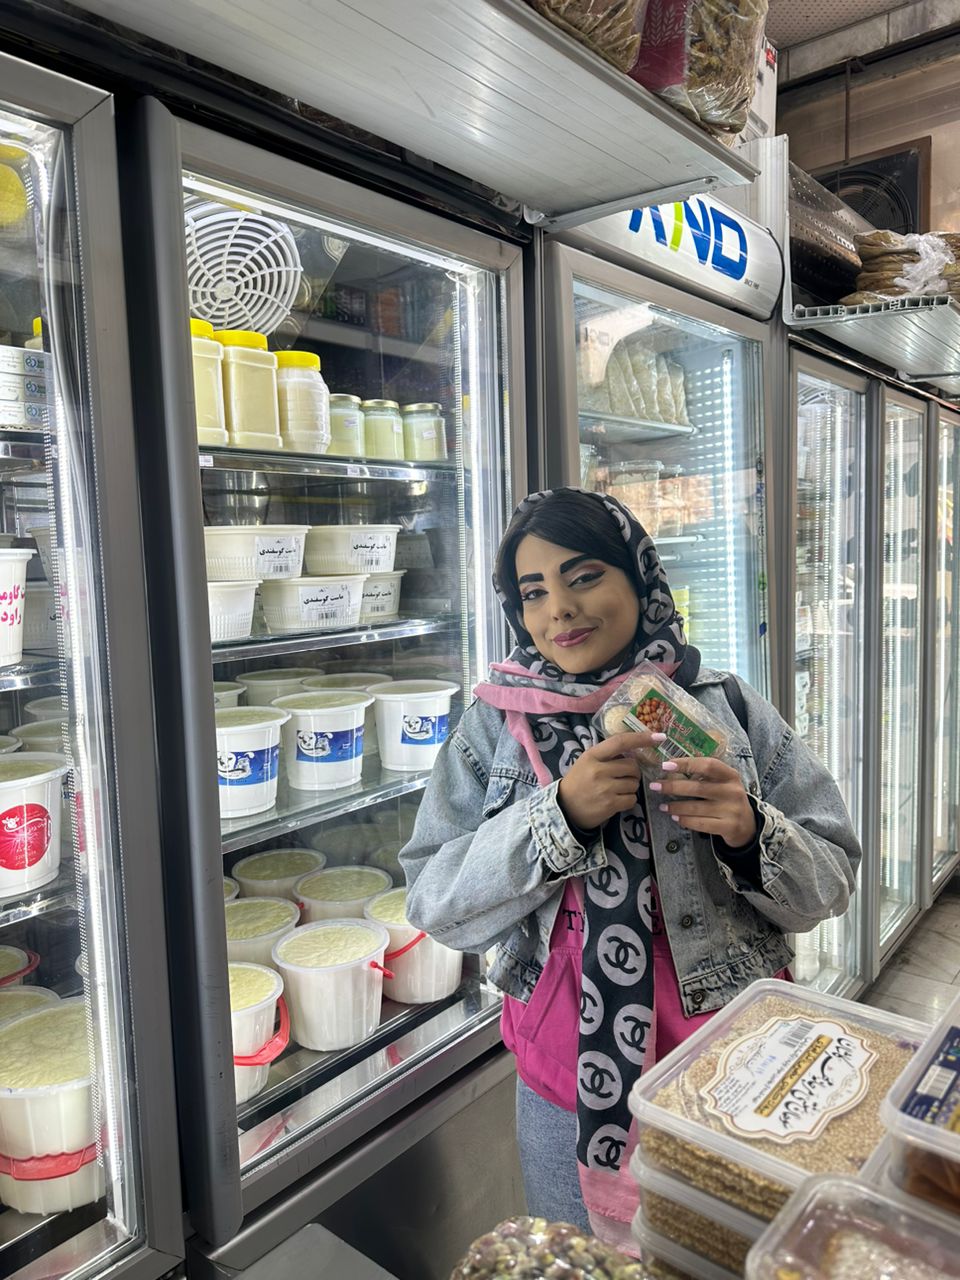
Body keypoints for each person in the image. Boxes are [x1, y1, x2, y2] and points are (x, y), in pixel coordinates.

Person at [401, 487, 861, 1247]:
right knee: (585, 1257)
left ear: (641, 581)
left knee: (726, 1252)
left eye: (584, 577)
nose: (559, 609)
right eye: (533, 592)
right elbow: (432, 901)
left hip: (734, 1059)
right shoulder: (494, 727)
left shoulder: (726, 708)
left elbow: (832, 880)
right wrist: (556, 817)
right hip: (565, 1081)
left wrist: (750, 830)